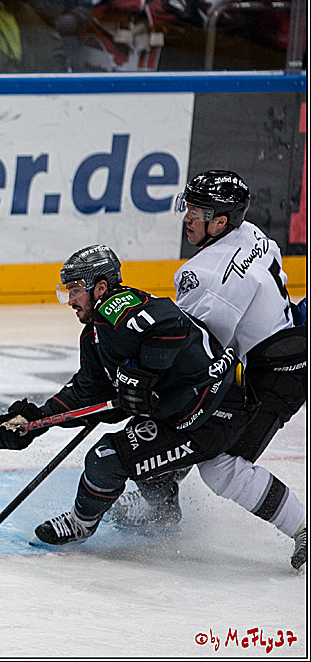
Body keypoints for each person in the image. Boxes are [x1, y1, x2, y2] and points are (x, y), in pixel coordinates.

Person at [0, 245, 277, 555]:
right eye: (67, 291)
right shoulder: (96, 332)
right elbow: (88, 393)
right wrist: (35, 421)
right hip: (187, 412)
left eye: (76, 290)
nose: (70, 300)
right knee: (140, 446)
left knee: (106, 458)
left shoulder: (118, 308)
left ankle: (81, 523)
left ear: (101, 287)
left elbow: (170, 323)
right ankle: (163, 514)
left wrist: (145, 373)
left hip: (213, 411)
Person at [106, 170, 307, 569]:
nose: (187, 217)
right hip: (277, 350)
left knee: (219, 466)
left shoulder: (207, 276)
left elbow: (193, 354)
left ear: (220, 221)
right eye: (189, 206)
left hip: (277, 373)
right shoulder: (249, 233)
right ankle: (162, 501)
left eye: (197, 211)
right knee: (195, 426)